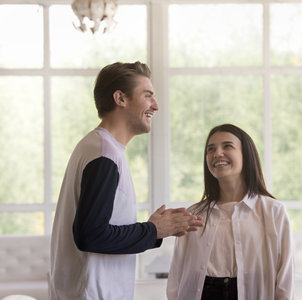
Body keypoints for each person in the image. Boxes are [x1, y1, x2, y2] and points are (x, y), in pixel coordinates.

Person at [49, 61, 204, 300]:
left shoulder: (102, 149)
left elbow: (97, 230)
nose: (156, 105)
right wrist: (154, 230)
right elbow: (90, 236)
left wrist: (154, 231)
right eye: (148, 95)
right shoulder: (104, 155)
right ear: (120, 98)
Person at [167, 124, 294, 300]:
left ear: (246, 155)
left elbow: (285, 275)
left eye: (227, 146)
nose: (217, 153)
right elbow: (177, 273)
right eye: (211, 149)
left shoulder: (273, 211)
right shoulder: (194, 214)